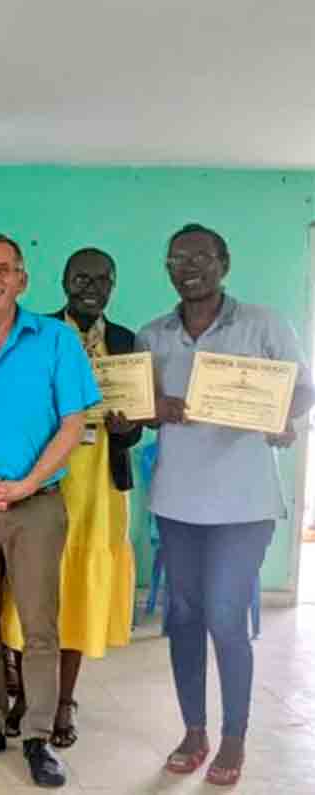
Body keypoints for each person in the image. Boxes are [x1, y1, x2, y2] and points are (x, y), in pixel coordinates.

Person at [136, 224, 313, 787]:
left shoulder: (263, 324)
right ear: (166, 268)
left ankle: (234, 736)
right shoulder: (153, 334)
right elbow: (136, 407)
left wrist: (284, 419)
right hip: (177, 498)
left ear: (224, 262)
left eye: (200, 257)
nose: (188, 267)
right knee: (183, 618)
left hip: (245, 502)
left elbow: (304, 389)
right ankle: (194, 730)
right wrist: (148, 409)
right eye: (176, 258)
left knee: (225, 618)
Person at [0, 235, 99, 789]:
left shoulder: (56, 339)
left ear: (22, 279)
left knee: (40, 628)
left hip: (37, 505)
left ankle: (36, 735)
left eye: (3, 269)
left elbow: (73, 422)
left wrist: (28, 483)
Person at [0, 248, 142, 747]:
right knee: (28, 588)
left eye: (104, 277)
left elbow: (135, 428)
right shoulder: (36, 332)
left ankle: (62, 701)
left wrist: (128, 429)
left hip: (100, 487)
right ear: (62, 280)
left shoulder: (126, 342)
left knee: (78, 590)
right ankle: (26, 697)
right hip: (44, 478)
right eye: (81, 276)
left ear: (114, 284)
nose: (92, 285)